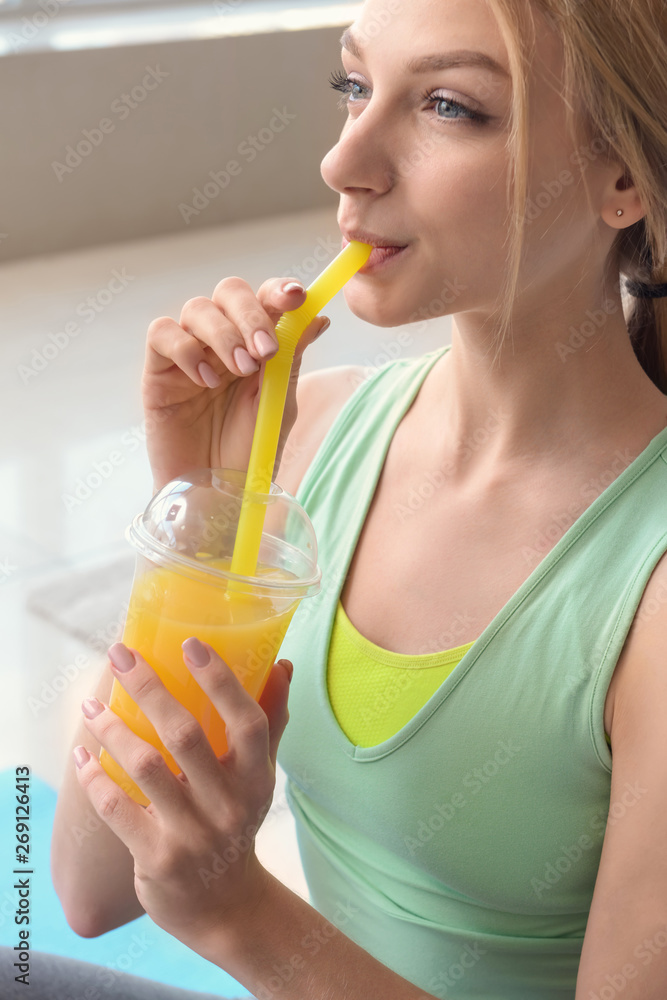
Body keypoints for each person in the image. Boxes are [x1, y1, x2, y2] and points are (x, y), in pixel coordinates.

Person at [42, 0, 667, 998]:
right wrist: (198, 513)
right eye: (354, 87)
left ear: (623, 177)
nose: (344, 161)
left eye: (450, 107)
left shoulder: (649, 589)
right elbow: (90, 885)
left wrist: (240, 912)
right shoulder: (307, 435)